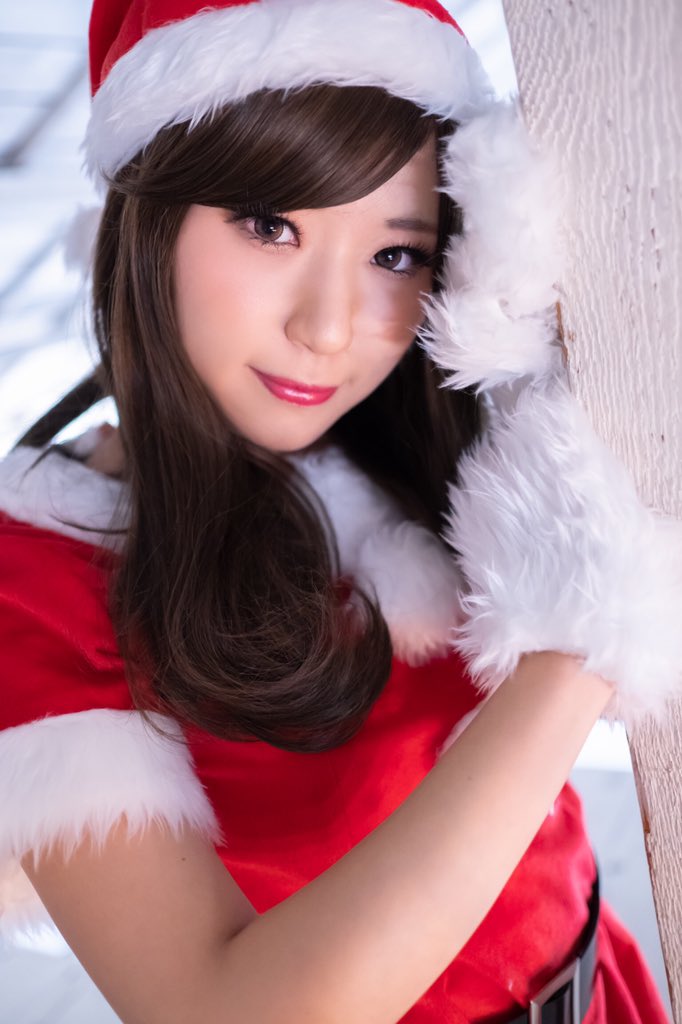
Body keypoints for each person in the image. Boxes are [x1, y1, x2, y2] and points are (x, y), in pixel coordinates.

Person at [0, 1, 679, 1021]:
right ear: (146, 218)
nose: (328, 330)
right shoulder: (39, 576)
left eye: (394, 255)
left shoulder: (418, 432)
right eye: (270, 224)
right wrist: (584, 640)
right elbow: (218, 1009)